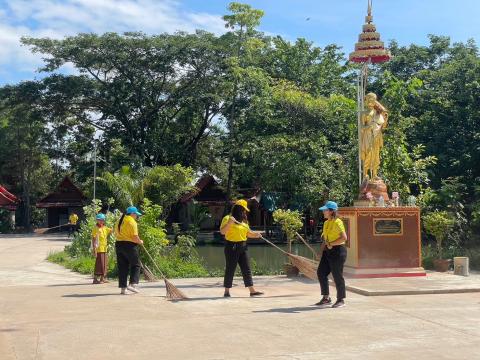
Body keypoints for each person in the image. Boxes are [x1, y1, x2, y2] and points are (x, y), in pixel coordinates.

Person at [220, 199, 264, 298]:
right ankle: (226, 291)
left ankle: (252, 291)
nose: (244, 211)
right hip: (231, 246)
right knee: (230, 269)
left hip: (243, 246)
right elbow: (223, 232)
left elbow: (248, 233)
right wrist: (230, 223)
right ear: (238, 209)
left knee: (246, 268)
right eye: (243, 209)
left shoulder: (244, 221)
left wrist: (257, 235)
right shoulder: (228, 218)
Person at [316, 201, 348, 308]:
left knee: (337, 275)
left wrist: (331, 244)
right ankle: (326, 298)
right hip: (328, 250)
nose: (323, 212)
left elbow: (344, 238)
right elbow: (325, 239)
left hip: (338, 251)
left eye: (325, 210)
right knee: (321, 272)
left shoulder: (338, 222)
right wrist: (320, 252)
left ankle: (341, 300)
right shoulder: (326, 223)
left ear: (331, 211)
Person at [114, 206, 144, 295]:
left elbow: (116, 233)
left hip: (119, 244)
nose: (136, 216)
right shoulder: (131, 222)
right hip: (129, 245)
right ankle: (132, 284)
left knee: (122, 267)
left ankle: (123, 289)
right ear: (132, 214)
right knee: (136, 264)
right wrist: (140, 241)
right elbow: (135, 237)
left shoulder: (119, 221)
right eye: (136, 214)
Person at [91, 213, 112, 284]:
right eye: (99, 220)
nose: (101, 221)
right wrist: (94, 249)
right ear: (97, 220)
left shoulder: (105, 227)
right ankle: (95, 279)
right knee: (99, 264)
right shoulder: (95, 228)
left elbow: (111, 231)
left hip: (104, 248)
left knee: (104, 264)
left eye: (102, 220)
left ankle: (103, 278)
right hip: (98, 249)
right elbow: (93, 239)